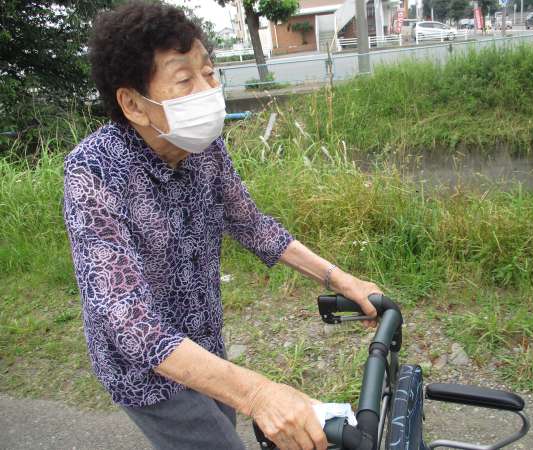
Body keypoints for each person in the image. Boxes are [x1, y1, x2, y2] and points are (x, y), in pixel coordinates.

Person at [62, 2, 381, 449]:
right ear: (133, 103)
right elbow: (129, 321)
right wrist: (258, 393)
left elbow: (252, 225)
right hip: (147, 374)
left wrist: (343, 280)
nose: (207, 89)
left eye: (209, 73)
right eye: (184, 79)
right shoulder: (93, 171)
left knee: (222, 428)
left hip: (205, 342)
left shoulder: (204, 149)